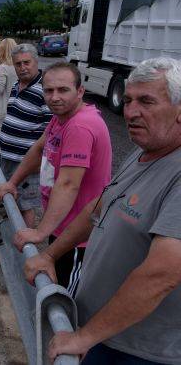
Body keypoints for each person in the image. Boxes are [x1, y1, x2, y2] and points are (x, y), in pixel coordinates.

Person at [24, 58, 181, 363]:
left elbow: (162, 273)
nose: (131, 111)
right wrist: (49, 254)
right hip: (102, 332)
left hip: (138, 351)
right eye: (130, 100)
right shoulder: (143, 152)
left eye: (147, 101)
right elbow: (97, 208)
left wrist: (85, 337)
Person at [0, 62, 112, 295]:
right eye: (48, 91)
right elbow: (40, 149)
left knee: (64, 299)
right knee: (53, 287)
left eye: (63, 90)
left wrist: (40, 232)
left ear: (80, 92)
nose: (54, 97)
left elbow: (69, 184)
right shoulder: (62, 118)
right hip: (63, 229)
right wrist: (12, 182)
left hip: (79, 238)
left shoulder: (80, 125)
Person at [0, 43, 52, 227]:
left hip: (26, 163)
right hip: (8, 158)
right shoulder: (16, 85)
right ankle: (13, 242)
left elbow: (50, 131)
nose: (23, 67)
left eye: (26, 62)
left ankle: (25, 249)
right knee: (10, 200)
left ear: (36, 62)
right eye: (18, 64)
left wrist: (38, 162)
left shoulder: (45, 90)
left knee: (25, 205)